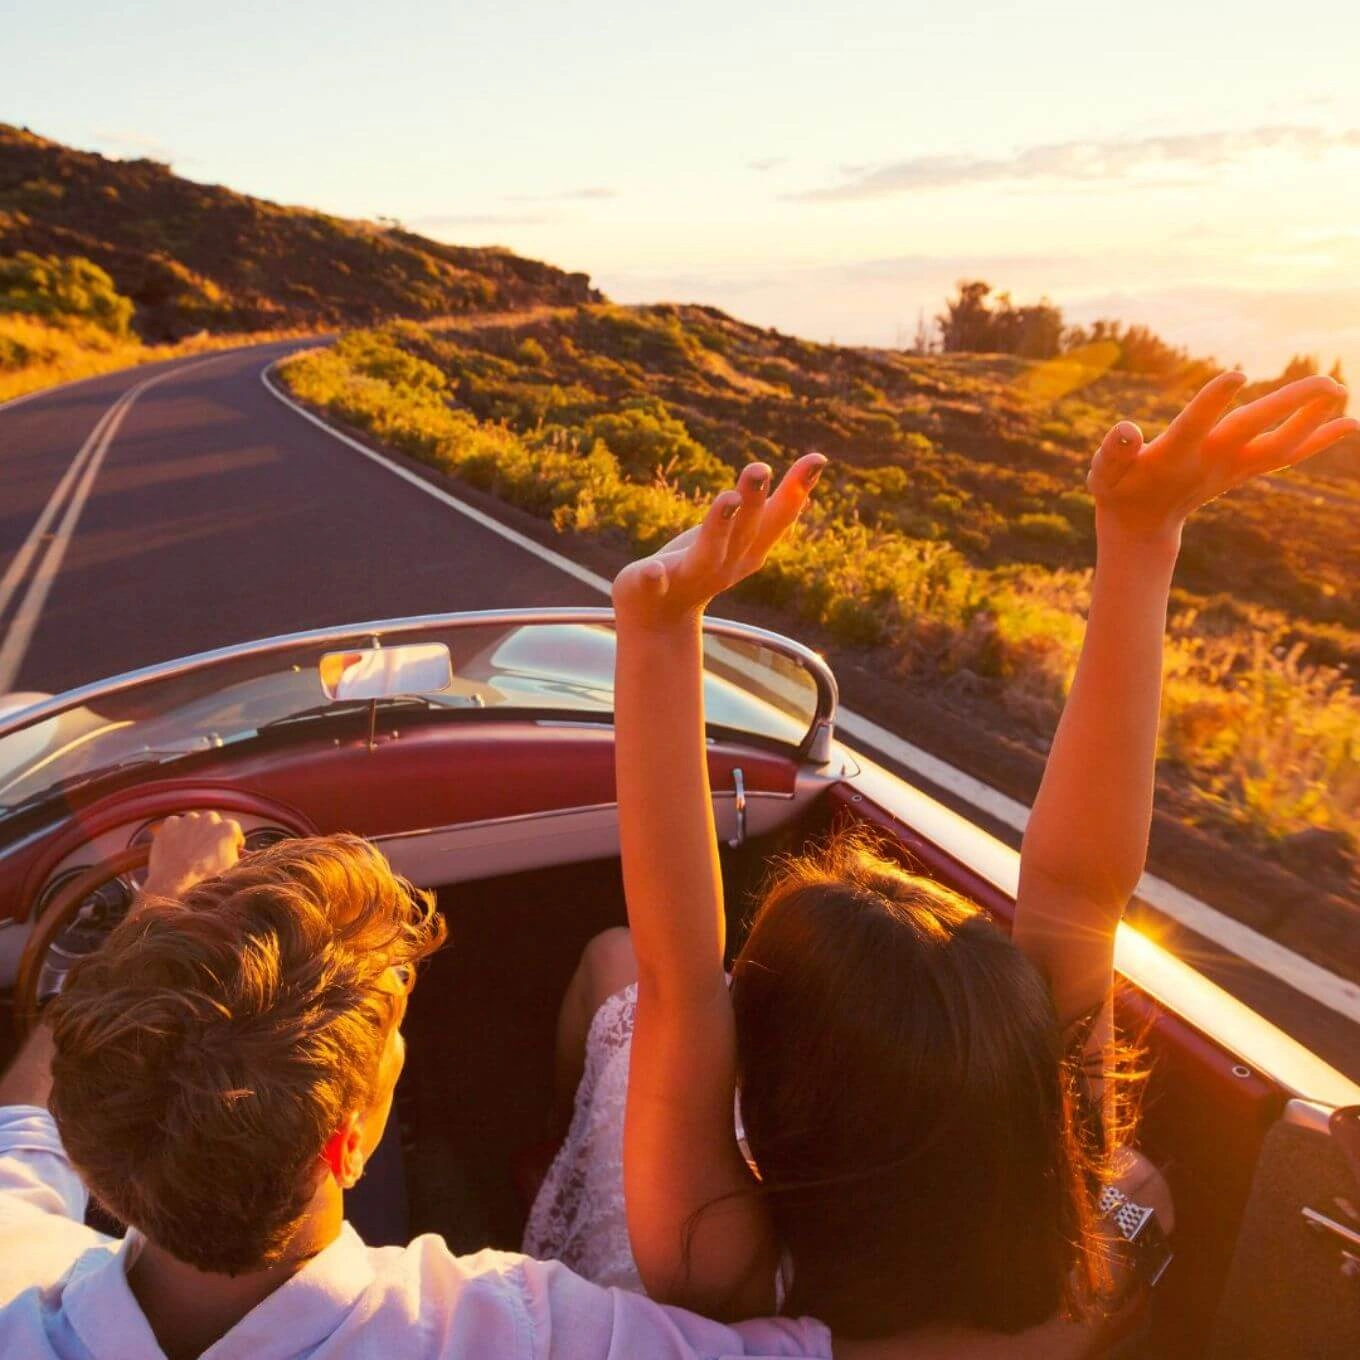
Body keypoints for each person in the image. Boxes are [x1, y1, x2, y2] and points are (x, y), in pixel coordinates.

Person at [525, 373, 1356, 1338]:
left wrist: (660, 623)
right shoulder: (1083, 1233)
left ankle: (551, 1155)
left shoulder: (717, 1271)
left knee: (613, 962)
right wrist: (1143, 537)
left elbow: (676, 981)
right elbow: (1078, 885)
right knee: (1139, 1190)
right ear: (1028, 1111)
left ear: (762, 1098)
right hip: (1044, 1224)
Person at [0, 813, 1111, 1359]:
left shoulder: (14, 1259)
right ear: (351, 1144)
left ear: (98, 1151)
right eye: (392, 1046)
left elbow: (22, 1119)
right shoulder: (525, 1329)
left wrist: (154, 933)